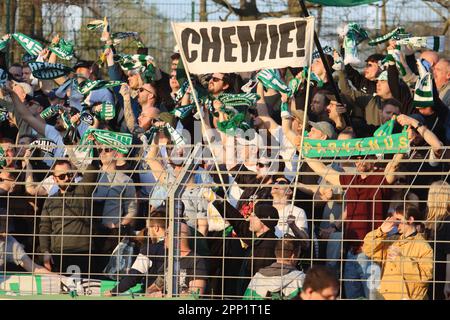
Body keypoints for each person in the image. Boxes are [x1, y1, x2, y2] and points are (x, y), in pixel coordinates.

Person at [305, 150, 403, 299]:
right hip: (351, 252)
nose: (358, 161)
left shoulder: (381, 177)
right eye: (356, 158)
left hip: (371, 253)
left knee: (373, 297)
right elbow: (323, 170)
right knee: (352, 297)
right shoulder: (350, 178)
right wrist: (303, 151)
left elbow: (393, 166)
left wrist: (403, 145)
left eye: (362, 157)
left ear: (374, 159)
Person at [39, 159, 98, 275]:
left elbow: (93, 170)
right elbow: (44, 228)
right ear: (55, 179)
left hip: (84, 252)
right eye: (61, 176)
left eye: (69, 174)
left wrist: (94, 148)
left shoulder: (83, 190)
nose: (66, 178)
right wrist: (45, 252)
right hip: (59, 254)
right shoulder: (50, 201)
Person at [362, 205, 433, 300]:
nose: (395, 223)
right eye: (394, 220)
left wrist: (400, 260)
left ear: (410, 220)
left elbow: (424, 279)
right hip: (386, 297)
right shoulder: (391, 240)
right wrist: (381, 231)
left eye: (398, 220)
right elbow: (367, 249)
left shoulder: (424, 247)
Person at [105, 206, 167, 296]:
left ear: (156, 228)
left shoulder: (149, 250)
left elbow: (133, 276)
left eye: (149, 228)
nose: (148, 233)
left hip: (152, 294)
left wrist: (113, 291)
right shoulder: (179, 247)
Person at [146, 221, 208, 297]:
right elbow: (157, 286)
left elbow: (195, 294)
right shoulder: (171, 259)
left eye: (167, 234)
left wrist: (164, 296)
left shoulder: (196, 261)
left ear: (177, 237)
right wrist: (149, 293)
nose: (164, 237)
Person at [244, 236, 305, 300]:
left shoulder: (257, 278)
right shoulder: (301, 279)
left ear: (276, 253)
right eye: (299, 254)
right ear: (293, 256)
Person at [424, 181, 450, 300]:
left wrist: (447, 284)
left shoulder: (446, 222)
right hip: (432, 275)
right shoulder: (429, 222)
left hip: (440, 277)